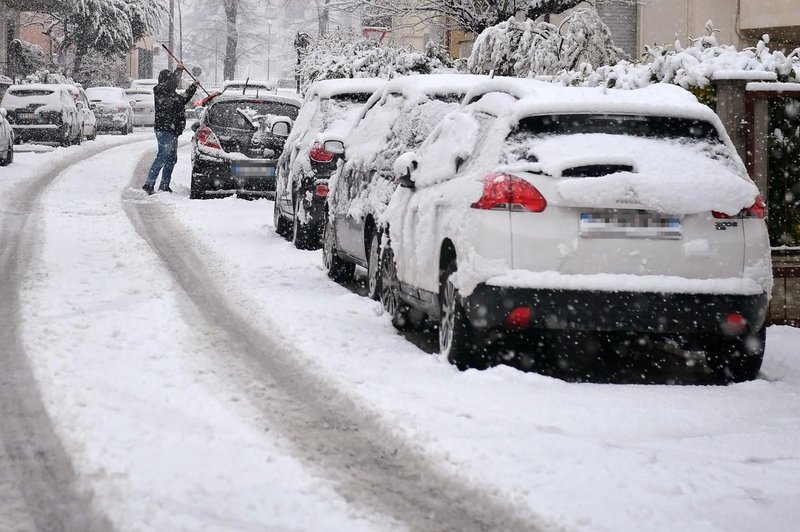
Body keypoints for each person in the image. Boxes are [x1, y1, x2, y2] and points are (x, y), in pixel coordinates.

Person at [142, 62, 199, 194]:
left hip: (173, 131)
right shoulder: (160, 90)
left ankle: (164, 185)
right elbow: (172, 83)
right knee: (162, 156)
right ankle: (149, 184)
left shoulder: (172, 94)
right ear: (165, 81)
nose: (174, 82)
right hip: (164, 129)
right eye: (171, 79)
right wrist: (179, 70)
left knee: (171, 158)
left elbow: (183, 99)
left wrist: (193, 87)